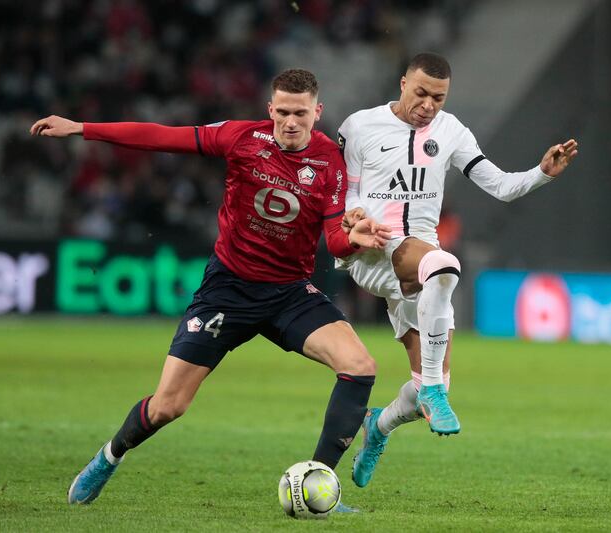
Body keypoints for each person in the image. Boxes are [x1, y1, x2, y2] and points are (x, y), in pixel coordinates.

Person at [30, 69, 392, 508]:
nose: (290, 122)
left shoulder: (332, 162)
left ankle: (319, 483)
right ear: (269, 109)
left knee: (360, 365)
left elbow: (334, 238)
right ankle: (109, 456)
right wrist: (82, 128)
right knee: (168, 406)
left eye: (300, 113)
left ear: (317, 112)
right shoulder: (241, 138)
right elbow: (162, 136)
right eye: (282, 112)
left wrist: (353, 240)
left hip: (288, 293)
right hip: (228, 290)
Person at [336, 53, 578, 487]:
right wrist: (353, 220)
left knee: (432, 387)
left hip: (419, 266)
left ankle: (379, 426)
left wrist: (542, 174)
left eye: (439, 98)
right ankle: (430, 389)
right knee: (445, 264)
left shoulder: (452, 132)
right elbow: (346, 194)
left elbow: (501, 186)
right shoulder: (359, 126)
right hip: (374, 252)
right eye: (421, 93)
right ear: (403, 82)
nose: (429, 105)